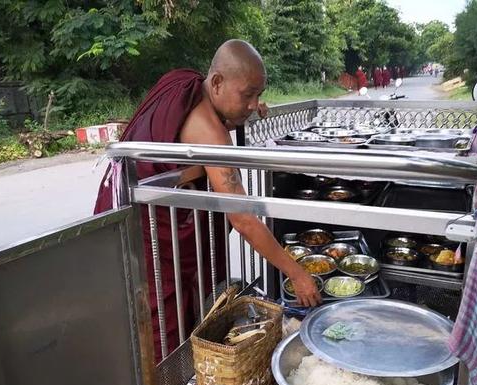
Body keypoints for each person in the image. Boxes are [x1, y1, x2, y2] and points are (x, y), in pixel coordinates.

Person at [94, 39, 322, 361]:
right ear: (217, 82)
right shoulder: (207, 128)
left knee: (188, 308)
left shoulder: (191, 86)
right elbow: (242, 219)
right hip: (149, 235)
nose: (254, 104)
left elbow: (199, 131)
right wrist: (296, 273)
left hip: (157, 216)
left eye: (258, 95)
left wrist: (238, 115)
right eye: (248, 95)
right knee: (163, 322)